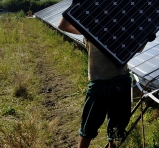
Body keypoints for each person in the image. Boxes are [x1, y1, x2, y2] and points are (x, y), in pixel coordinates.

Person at [57, 17, 136, 148]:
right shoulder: (91, 30)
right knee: (88, 128)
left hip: (120, 82)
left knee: (116, 130)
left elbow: (137, 47)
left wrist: (146, 36)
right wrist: (73, 8)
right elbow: (63, 26)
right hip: (100, 83)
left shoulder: (122, 29)